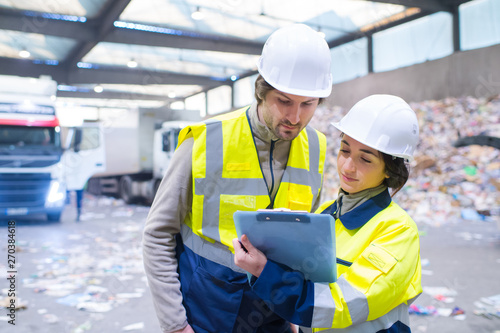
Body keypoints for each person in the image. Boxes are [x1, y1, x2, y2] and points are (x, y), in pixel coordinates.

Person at [143, 23, 333, 333]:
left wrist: (296, 318)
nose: (295, 117)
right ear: (261, 91)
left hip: (274, 316)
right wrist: (175, 325)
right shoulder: (205, 141)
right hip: (205, 312)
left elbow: (305, 245)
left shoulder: (316, 148)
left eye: (307, 104)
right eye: (284, 101)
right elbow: (157, 234)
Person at [233, 94, 422, 332]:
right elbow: (306, 280)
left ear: (389, 170)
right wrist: (275, 239)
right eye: (345, 150)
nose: (348, 166)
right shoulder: (326, 215)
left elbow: (342, 304)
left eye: (365, 159)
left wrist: (265, 271)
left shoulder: (398, 230)